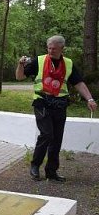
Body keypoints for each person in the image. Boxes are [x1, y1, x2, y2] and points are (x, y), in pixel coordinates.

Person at [16, 35, 96, 182]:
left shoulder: (68, 63)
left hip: (60, 104)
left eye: (54, 48)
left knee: (57, 138)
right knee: (47, 134)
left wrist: (89, 99)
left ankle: (51, 171)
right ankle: (35, 165)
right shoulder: (39, 61)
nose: (51, 51)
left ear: (61, 48)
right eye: (49, 48)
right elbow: (19, 77)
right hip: (42, 102)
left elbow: (79, 83)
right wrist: (21, 65)